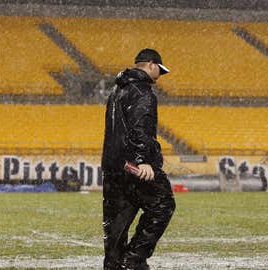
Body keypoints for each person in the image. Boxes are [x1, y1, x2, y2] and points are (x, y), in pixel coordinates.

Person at [101, 48, 176, 270]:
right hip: (134, 166)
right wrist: (142, 159)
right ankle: (133, 260)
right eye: (159, 71)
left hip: (114, 167)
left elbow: (115, 130)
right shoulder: (142, 91)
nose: (158, 77)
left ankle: (115, 265)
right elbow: (140, 125)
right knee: (163, 205)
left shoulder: (117, 90)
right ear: (152, 65)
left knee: (116, 227)